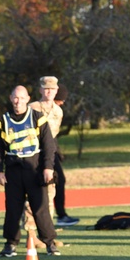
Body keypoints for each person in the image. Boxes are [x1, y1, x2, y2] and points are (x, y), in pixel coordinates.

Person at [0, 85, 61, 257]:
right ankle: (10, 244)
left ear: (28, 99)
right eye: (15, 98)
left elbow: (48, 145)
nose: (18, 101)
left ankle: (49, 243)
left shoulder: (37, 117)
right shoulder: (4, 121)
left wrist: (48, 167)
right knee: (12, 209)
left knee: (40, 208)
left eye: (22, 98)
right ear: (10, 98)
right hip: (13, 171)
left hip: (35, 169)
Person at [50, 85, 79, 226]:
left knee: (59, 181)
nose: (62, 102)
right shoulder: (41, 110)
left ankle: (60, 214)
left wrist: (58, 152)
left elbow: (53, 136)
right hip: (42, 154)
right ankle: (60, 216)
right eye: (60, 99)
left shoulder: (56, 111)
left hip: (52, 153)